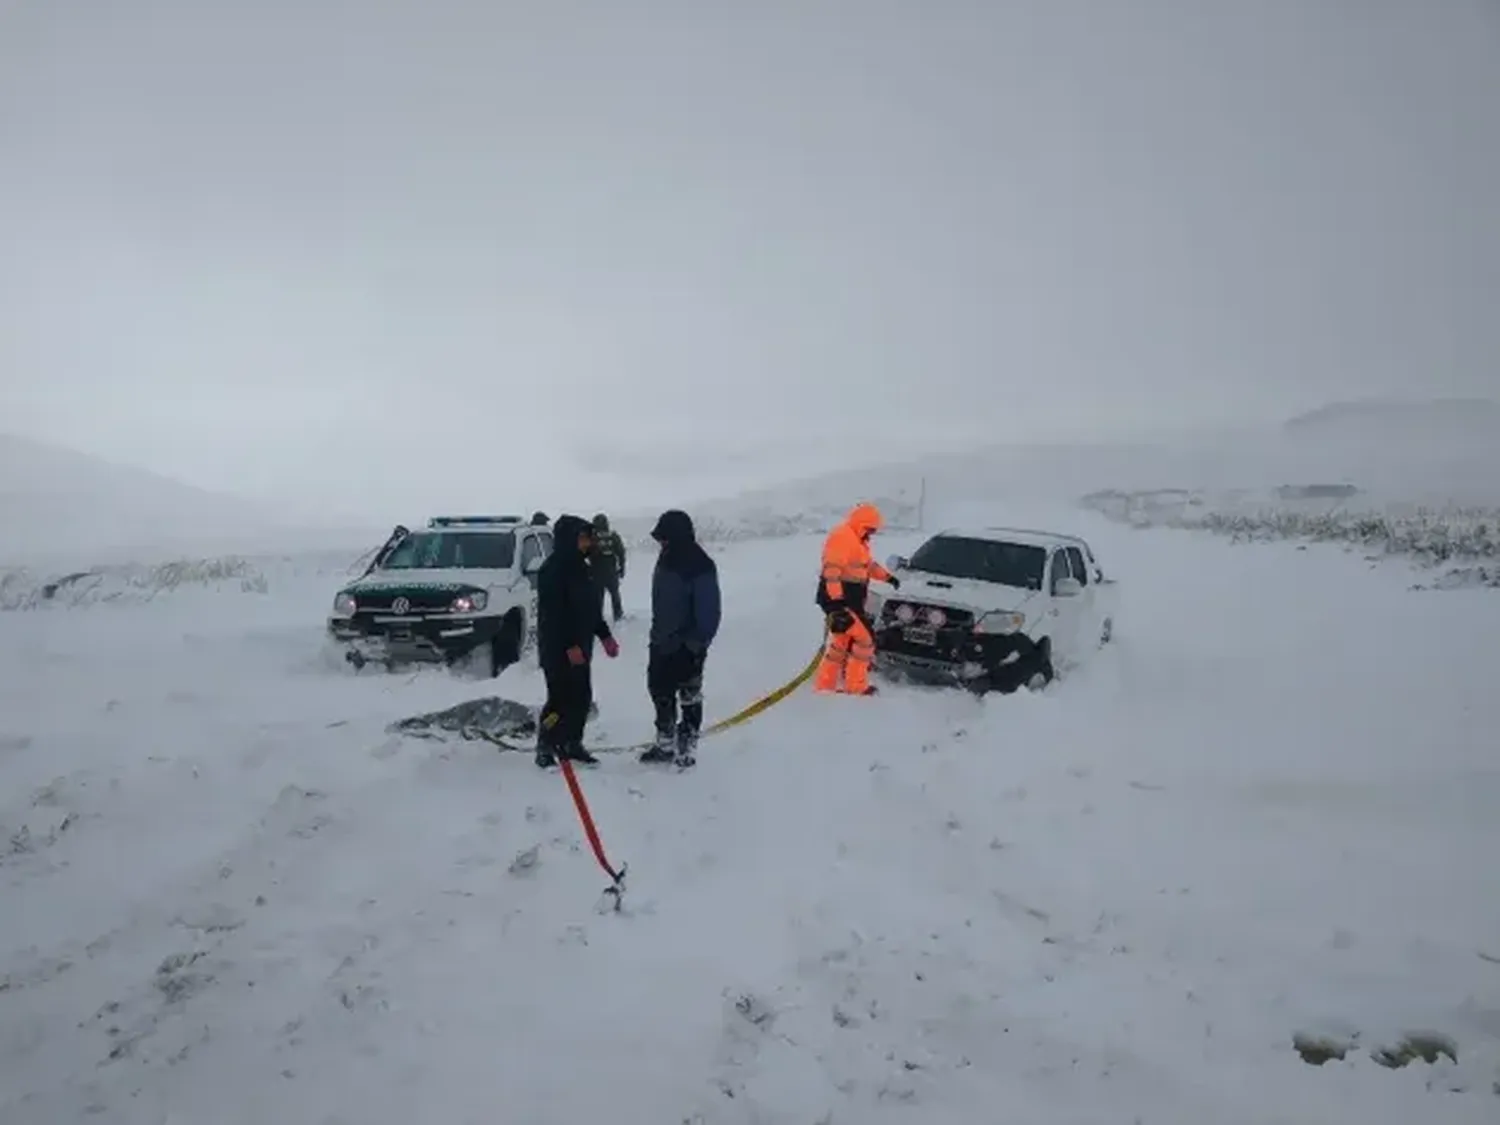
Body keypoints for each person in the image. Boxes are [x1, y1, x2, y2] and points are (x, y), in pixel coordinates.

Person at [533, 513, 620, 768]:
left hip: (581, 648)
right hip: (557, 648)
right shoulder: (552, 570)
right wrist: (569, 645)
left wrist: (604, 636)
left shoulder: (583, 568)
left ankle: (572, 743)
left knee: (581, 697)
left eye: (587, 538)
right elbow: (555, 614)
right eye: (583, 538)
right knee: (559, 700)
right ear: (568, 539)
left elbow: (590, 609)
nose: (587, 543)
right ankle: (545, 745)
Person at [640, 509, 720, 767]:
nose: (661, 543)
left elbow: (709, 613)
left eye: (665, 538)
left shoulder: (701, 565)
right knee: (660, 692)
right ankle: (665, 744)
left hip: (688, 646)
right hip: (662, 642)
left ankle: (687, 747)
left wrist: (696, 645)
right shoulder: (666, 559)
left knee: (689, 695)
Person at [814, 502, 898, 696]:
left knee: (841, 642)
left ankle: (825, 686)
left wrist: (888, 577)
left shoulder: (858, 541)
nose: (872, 534)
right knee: (865, 640)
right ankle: (856, 686)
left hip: (849, 599)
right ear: (862, 524)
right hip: (840, 599)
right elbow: (832, 570)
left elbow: (866, 566)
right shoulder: (842, 537)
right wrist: (836, 603)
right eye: (870, 529)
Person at [588, 513, 628, 623]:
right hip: (611, 571)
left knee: (598, 597)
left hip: (596, 571)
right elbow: (621, 553)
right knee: (615, 594)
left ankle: (597, 618)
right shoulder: (613, 535)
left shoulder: (592, 537)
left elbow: (585, 554)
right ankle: (618, 615)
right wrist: (622, 568)